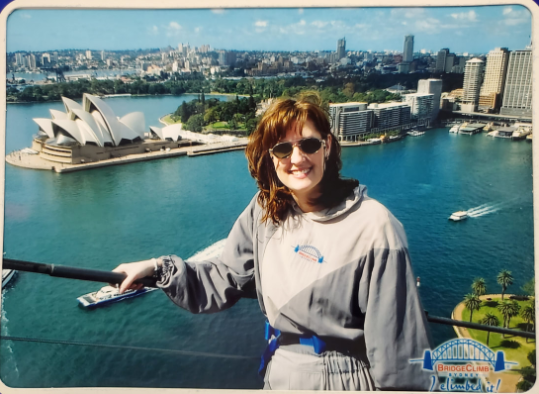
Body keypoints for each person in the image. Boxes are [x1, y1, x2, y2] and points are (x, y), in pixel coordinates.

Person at [114, 93, 433, 391]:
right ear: (270, 157)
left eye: (308, 144)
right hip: (278, 373)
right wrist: (158, 269)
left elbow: (400, 354)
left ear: (328, 146)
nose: (296, 158)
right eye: (282, 149)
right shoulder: (266, 210)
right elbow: (225, 276)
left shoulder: (375, 226)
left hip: (342, 381)